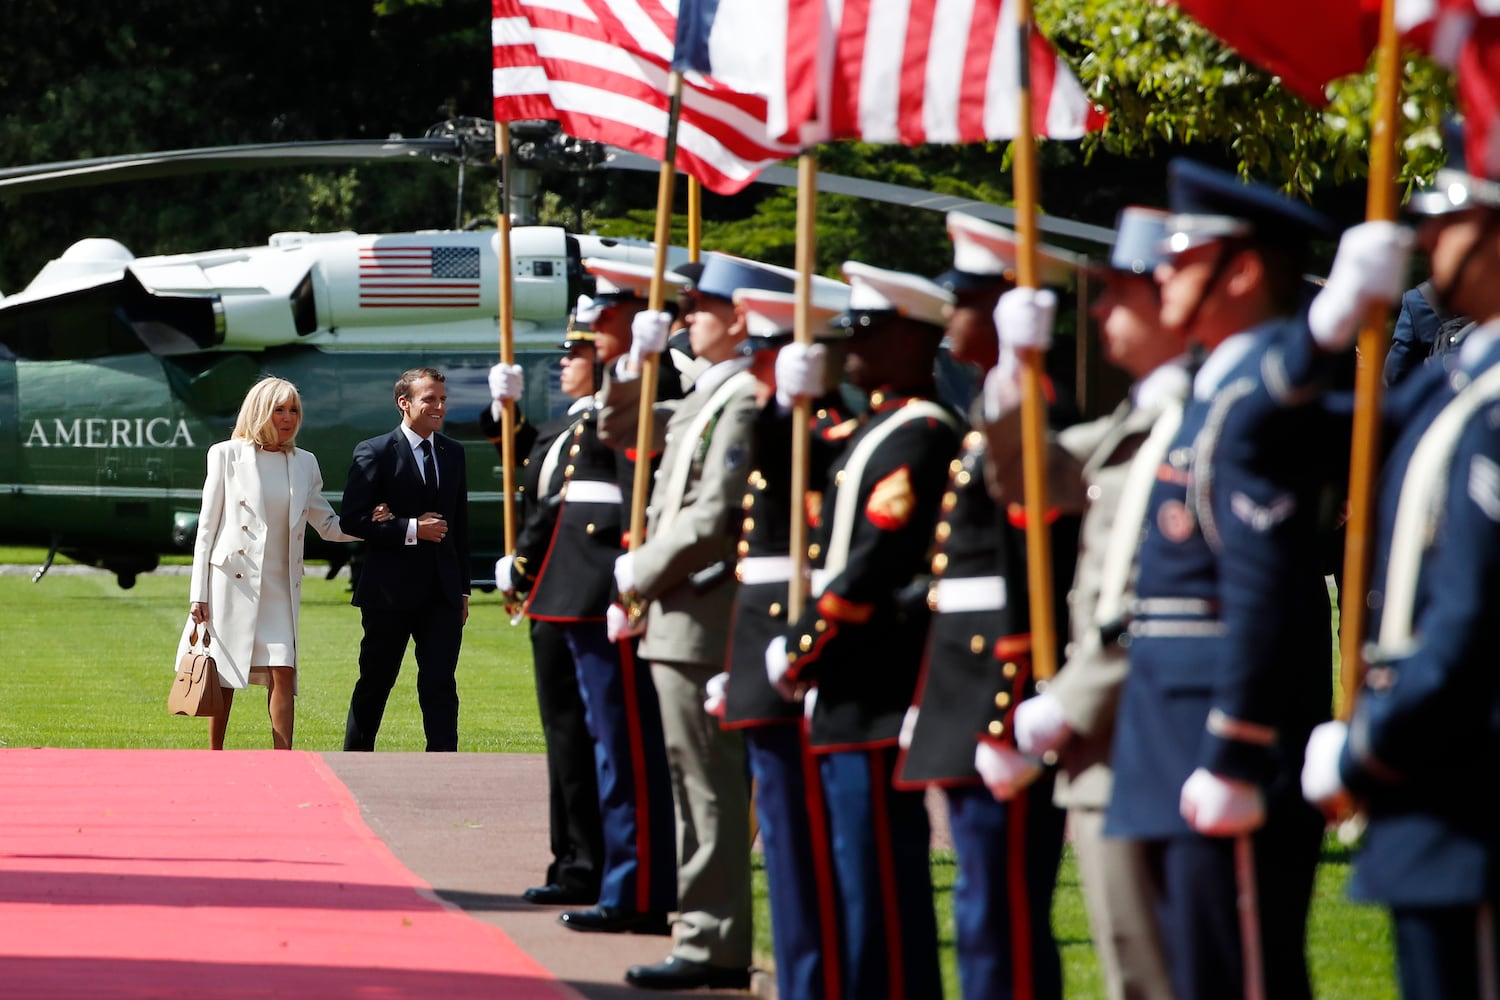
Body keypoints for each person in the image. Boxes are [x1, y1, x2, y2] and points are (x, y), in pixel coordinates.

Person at [1101, 160, 1347, 1000]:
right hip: (1172, 736)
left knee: (1239, 976)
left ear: (1239, 272)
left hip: (1221, 738)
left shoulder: (1252, 396)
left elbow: (1264, 591)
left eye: (1182, 253)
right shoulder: (1218, 391)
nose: (1162, 269)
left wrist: (1235, 751)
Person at [1301, 109, 1500, 1000]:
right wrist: (1322, 334)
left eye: (1447, 217)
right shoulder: (1458, 375)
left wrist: (1367, 744)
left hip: (1471, 792)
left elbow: (1468, 613)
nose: (1425, 235)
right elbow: (1344, 435)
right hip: (1433, 794)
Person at [996, 208, 1186, 1000]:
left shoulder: (1204, 417)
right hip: (1111, 747)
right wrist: (1015, 369)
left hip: (1163, 738)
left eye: (1120, 293)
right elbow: (1024, 479)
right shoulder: (1131, 423)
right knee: (1128, 969)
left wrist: (1072, 695)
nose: (1101, 311)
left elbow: (1166, 599)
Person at [598, 253, 798, 991]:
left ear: (741, 317)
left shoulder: (743, 396)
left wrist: (641, 569)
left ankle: (711, 938)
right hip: (674, 613)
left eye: (698, 308)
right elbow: (625, 430)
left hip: (699, 610)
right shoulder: (713, 392)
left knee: (708, 785)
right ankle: (700, 929)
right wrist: (635, 364)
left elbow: (714, 515)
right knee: (691, 782)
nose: (685, 320)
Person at [890, 212, 1076, 1000]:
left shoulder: (1029, 412)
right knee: (979, 903)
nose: (950, 317)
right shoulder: (991, 412)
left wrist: (1006, 707)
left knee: (1000, 909)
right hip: (961, 688)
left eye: (964, 299)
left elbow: (1032, 571)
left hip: (997, 694)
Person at [767, 261, 961, 999]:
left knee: (879, 874)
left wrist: (806, 644)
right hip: (846, 679)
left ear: (912, 341)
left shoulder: (922, 433)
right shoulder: (872, 427)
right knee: (852, 871)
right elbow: (788, 476)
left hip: (873, 673)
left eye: (870, 332)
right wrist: (793, 403)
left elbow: (874, 563)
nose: (852, 345)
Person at [713, 282, 851, 1000]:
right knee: (786, 831)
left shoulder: (835, 430)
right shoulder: (779, 420)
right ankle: (802, 978)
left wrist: (795, 407)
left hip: (811, 636)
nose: (753, 365)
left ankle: (815, 979)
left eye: (762, 352)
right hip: (765, 631)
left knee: (811, 832)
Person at [484, 324, 604, 906]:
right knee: (563, 737)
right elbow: (529, 457)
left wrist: (522, 563)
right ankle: (571, 859)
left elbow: (565, 504)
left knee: (583, 736)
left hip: (579, 594)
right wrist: (501, 408)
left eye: (576, 355)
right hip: (551, 598)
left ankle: (588, 861)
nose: (563, 364)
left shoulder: (612, 420)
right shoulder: (566, 425)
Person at [181, 376, 363, 750]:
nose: (288, 417)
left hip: (281, 585)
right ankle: (214, 754)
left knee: (284, 670)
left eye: (294, 410)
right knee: (224, 673)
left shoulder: (304, 463)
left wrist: (374, 526)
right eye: (279, 409)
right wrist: (198, 593)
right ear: (260, 411)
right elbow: (206, 529)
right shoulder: (225, 454)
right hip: (232, 583)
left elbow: (327, 525)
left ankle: (284, 757)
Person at [341, 366, 470, 752]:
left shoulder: (453, 452)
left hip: (442, 593)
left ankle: (444, 764)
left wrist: (462, 590)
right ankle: (356, 760)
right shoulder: (375, 451)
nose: (439, 406)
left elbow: (459, 526)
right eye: (430, 398)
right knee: (376, 681)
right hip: (389, 593)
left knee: (440, 684)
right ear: (404, 403)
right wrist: (411, 528)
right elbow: (353, 519)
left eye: (443, 399)